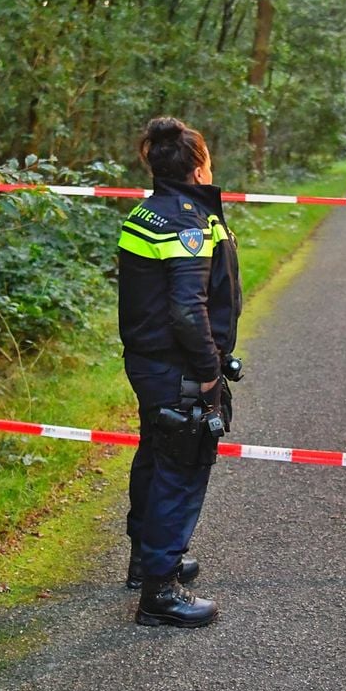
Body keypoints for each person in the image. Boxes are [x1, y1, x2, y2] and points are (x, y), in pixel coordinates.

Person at [116, 116, 242, 628]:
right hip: (177, 368)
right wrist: (210, 373)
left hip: (149, 363)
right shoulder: (187, 222)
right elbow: (188, 310)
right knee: (181, 465)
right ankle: (160, 594)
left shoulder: (147, 213)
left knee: (155, 454)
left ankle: (147, 558)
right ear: (198, 162)